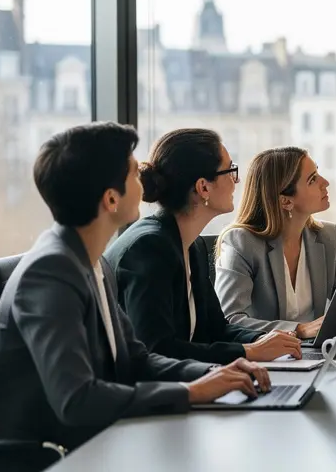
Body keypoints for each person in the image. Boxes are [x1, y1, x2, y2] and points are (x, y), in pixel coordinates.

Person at [0, 123, 271, 468]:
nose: (146, 181)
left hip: (92, 443)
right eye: (134, 174)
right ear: (111, 198)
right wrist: (191, 392)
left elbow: (136, 357)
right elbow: (77, 399)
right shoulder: (50, 273)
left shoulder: (89, 260)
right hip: (42, 458)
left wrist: (212, 373)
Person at [104, 128, 302, 364]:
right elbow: (157, 349)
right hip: (153, 393)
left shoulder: (192, 245)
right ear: (203, 187)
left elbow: (216, 329)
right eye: (230, 171)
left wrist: (266, 339)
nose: (236, 181)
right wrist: (249, 352)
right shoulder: (149, 248)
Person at [214, 147, 336, 335]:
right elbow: (231, 319)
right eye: (312, 179)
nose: (325, 183)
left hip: (317, 353)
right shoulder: (241, 243)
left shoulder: (328, 236)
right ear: (285, 201)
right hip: (264, 358)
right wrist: (298, 330)